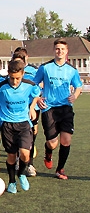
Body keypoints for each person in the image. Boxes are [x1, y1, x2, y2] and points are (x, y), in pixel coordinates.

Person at [0, 60, 41, 193]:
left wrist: (32, 108)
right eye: (12, 78)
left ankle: (21, 174)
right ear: (8, 74)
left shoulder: (29, 85)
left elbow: (36, 94)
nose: (15, 81)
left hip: (24, 124)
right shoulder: (1, 87)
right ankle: (12, 181)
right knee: (11, 157)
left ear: (23, 74)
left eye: (18, 78)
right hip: (7, 125)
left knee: (25, 155)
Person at [33, 38, 83, 180]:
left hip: (66, 108)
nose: (59, 51)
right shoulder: (45, 68)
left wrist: (75, 95)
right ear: (54, 50)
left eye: (62, 49)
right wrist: (37, 98)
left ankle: (60, 169)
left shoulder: (72, 70)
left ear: (67, 52)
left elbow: (78, 86)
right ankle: (48, 152)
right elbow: (34, 84)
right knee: (52, 143)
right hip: (49, 108)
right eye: (57, 49)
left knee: (66, 141)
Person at [12, 48, 40, 176]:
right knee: (19, 135)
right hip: (18, 109)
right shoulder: (12, 75)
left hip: (32, 108)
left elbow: (39, 87)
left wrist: (34, 106)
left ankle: (29, 163)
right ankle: (23, 162)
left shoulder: (33, 71)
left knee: (32, 134)